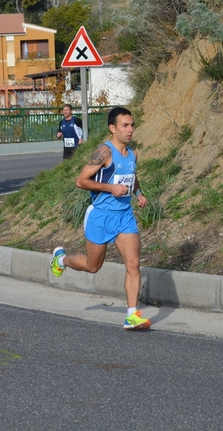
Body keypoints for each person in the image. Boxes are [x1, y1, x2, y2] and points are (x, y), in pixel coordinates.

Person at [50, 107, 151, 330]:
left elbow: (132, 177)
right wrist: (110, 188)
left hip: (124, 217)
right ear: (112, 128)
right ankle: (61, 259)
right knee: (93, 266)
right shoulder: (104, 153)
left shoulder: (133, 154)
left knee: (133, 264)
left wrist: (139, 194)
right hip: (101, 217)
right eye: (125, 125)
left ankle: (132, 315)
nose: (130, 129)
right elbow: (81, 181)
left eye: (132, 125)